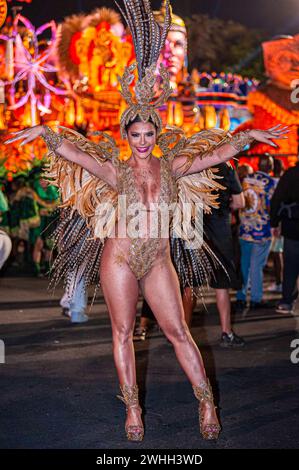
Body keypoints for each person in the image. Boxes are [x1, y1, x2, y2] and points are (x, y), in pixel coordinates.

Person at [5, 0, 288, 443]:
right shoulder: (114, 170)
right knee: (121, 333)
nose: (141, 141)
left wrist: (248, 137)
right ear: (126, 135)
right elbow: (76, 153)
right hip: (118, 259)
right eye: (134, 135)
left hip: (157, 260)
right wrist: (46, 133)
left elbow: (213, 155)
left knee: (177, 332)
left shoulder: (172, 167)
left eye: (148, 133)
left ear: (157, 132)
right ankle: (132, 408)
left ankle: (206, 399)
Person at [236, 155, 277, 310]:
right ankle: (255, 299)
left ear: (259, 164)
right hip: (262, 229)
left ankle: (240, 297)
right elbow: (272, 206)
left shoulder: (246, 180)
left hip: (245, 228)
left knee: (244, 264)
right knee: (256, 265)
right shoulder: (271, 183)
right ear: (270, 167)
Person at [270, 156, 299, 314]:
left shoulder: (290, 175)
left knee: (290, 266)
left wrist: (274, 223)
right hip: (292, 227)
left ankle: (287, 300)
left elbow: (277, 199)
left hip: (293, 227)